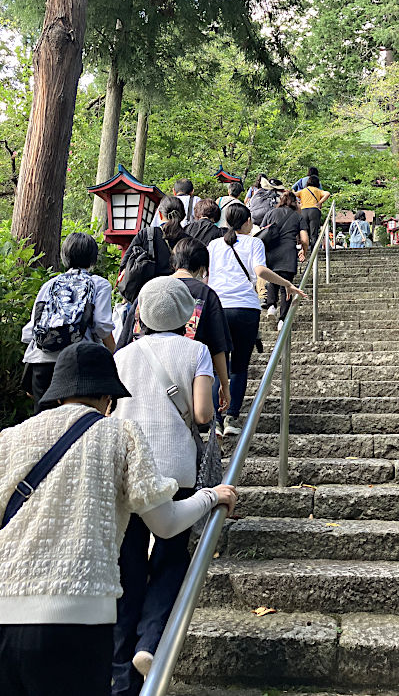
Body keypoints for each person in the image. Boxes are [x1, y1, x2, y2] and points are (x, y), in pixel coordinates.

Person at [0, 342, 236, 696]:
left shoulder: (10, 438)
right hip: (78, 615)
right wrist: (210, 496)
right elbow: (165, 523)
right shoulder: (121, 433)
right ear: (110, 397)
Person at [111, 276, 220, 694]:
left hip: (126, 467)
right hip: (177, 468)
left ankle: (120, 676)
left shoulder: (122, 356)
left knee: (129, 563)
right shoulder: (197, 351)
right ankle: (151, 640)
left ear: (139, 314)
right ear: (187, 315)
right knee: (171, 558)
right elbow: (203, 413)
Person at [207, 204, 306, 436]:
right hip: (245, 309)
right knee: (240, 367)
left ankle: (216, 419)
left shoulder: (213, 245)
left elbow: (207, 275)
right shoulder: (254, 242)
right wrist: (287, 284)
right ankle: (232, 417)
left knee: (216, 367)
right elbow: (260, 271)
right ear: (248, 221)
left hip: (217, 308)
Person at [116, 238, 232, 416]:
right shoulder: (206, 293)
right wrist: (224, 384)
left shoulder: (151, 289)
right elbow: (218, 345)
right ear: (202, 267)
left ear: (174, 261)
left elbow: (126, 337)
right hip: (184, 382)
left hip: (141, 372)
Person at [21, 232, 116, 411]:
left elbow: (30, 331)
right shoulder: (99, 284)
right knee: (78, 421)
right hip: (79, 363)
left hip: (42, 362)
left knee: (44, 423)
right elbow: (102, 325)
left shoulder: (50, 284)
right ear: (93, 258)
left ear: (65, 256)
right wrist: (115, 355)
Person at [118, 195, 188, 301]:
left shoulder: (146, 234)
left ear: (159, 214)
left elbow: (125, 264)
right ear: (183, 215)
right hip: (177, 297)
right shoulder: (189, 241)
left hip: (146, 296)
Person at [261, 190, 309, 331]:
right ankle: (282, 320)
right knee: (286, 287)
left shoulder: (270, 213)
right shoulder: (297, 217)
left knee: (272, 281)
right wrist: (303, 250)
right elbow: (305, 239)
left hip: (271, 251)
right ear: (295, 203)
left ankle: (271, 306)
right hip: (288, 252)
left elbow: (262, 230)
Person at [295, 175, 331, 250]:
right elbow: (327, 193)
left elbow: (292, 194)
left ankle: (304, 252)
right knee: (314, 234)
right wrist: (320, 202)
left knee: (304, 232)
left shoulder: (303, 191)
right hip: (314, 211)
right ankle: (314, 254)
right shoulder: (317, 190)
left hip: (304, 211)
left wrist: (298, 203)